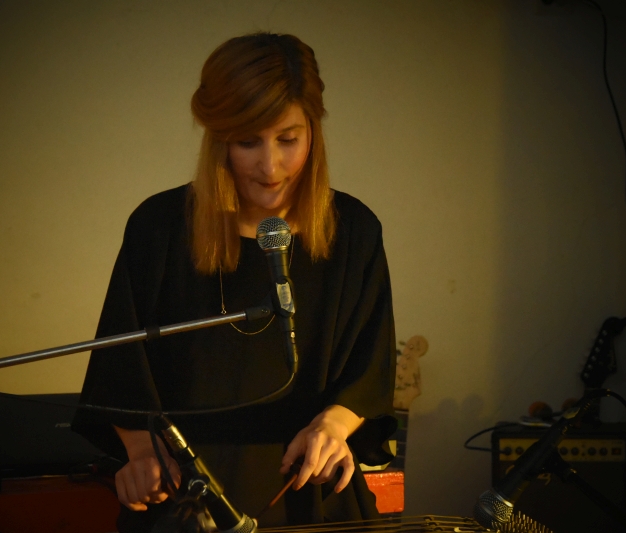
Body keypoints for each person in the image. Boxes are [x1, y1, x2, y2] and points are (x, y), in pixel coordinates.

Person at [72, 32, 397, 532]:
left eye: (288, 139)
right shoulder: (159, 227)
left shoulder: (353, 230)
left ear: (313, 131)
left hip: (309, 493)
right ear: (219, 138)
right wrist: (141, 454)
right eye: (248, 142)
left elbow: (369, 369)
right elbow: (121, 369)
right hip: (186, 497)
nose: (270, 166)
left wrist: (333, 426)